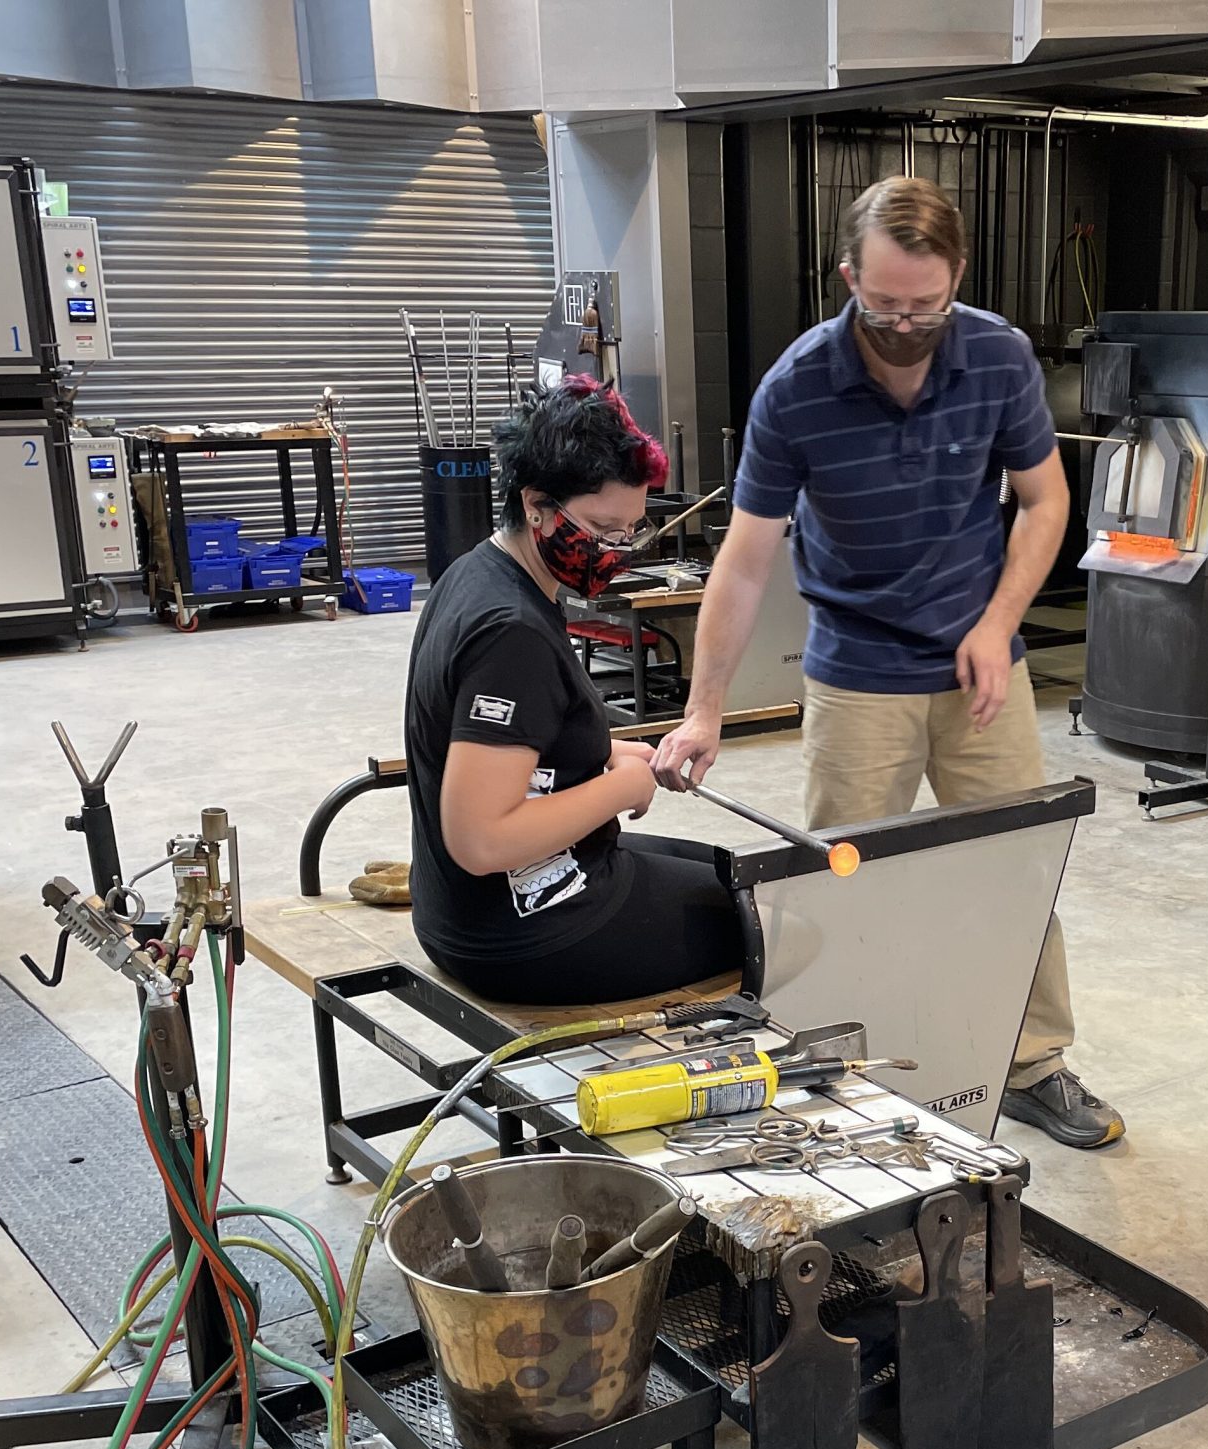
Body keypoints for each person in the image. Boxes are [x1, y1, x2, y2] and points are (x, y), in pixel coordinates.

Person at [652, 175, 1121, 1149]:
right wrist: (703, 710)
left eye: (926, 304)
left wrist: (996, 625)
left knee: (1011, 872)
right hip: (857, 671)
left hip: (977, 668)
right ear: (846, 278)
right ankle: (834, 1073)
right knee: (841, 882)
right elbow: (742, 564)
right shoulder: (796, 389)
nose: (906, 326)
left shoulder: (995, 355)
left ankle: (1032, 1063)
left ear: (957, 279)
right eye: (883, 304)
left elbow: (1044, 504)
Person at [404, 377, 744, 1004]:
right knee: (770, 913)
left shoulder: (479, 573)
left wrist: (602, 756)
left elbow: (526, 741)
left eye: (632, 531)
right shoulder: (510, 632)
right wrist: (621, 786)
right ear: (536, 504)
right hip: (527, 936)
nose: (615, 551)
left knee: (729, 870)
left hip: (470, 914)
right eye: (602, 528)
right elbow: (480, 839)